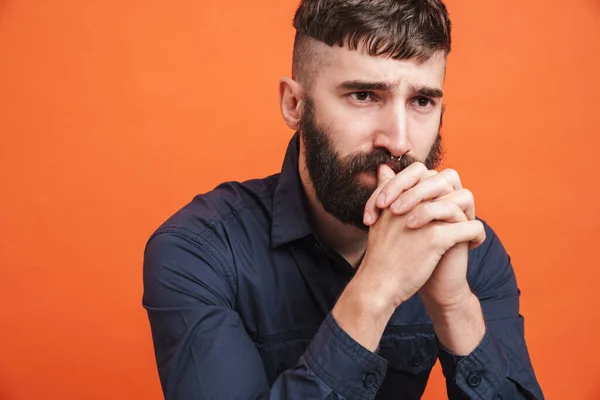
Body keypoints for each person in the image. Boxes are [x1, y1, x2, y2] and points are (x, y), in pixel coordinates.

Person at [142, 0, 544, 398]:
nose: (399, 140)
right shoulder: (199, 250)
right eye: (364, 96)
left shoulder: (469, 249)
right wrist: (375, 292)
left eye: (422, 101)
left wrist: (455, 306)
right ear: (294, 104)